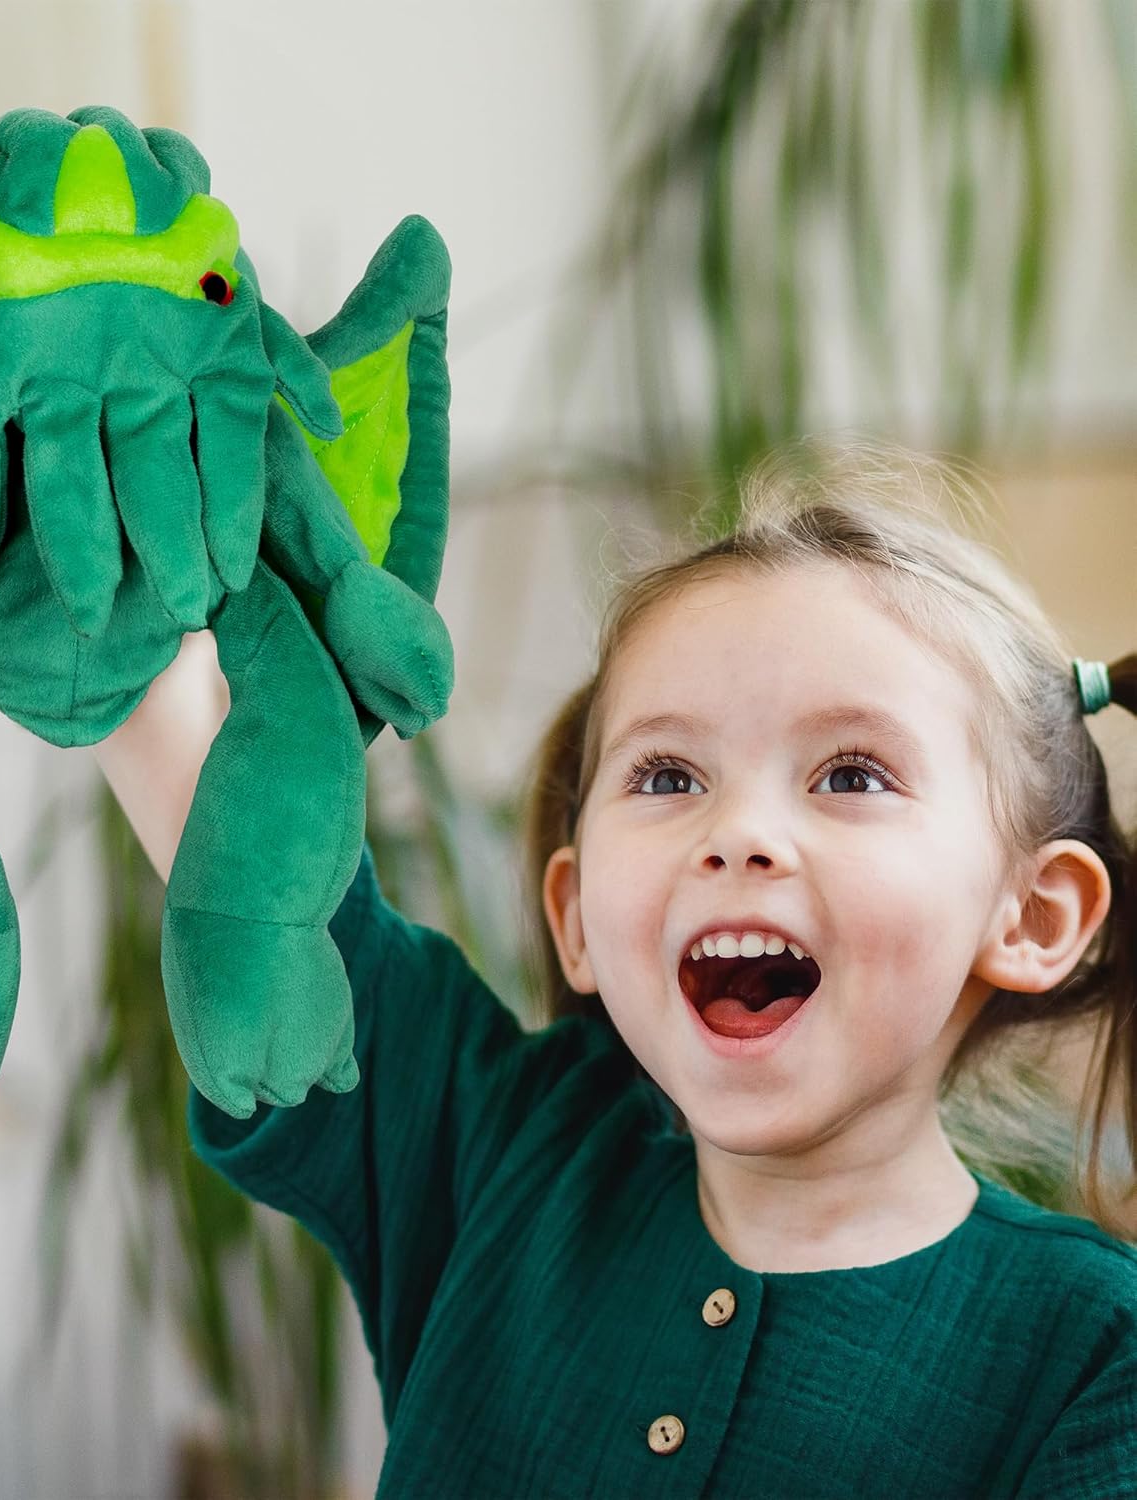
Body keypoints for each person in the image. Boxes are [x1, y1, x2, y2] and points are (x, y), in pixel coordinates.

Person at [95, 436, 1137, 1497]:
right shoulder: (502, 1149)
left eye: (851, 775)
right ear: (577, 916)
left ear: (1033, 915)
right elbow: (255, 863)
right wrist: (94, 524)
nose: (739, 834)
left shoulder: (1096, 1354)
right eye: (669, 775)